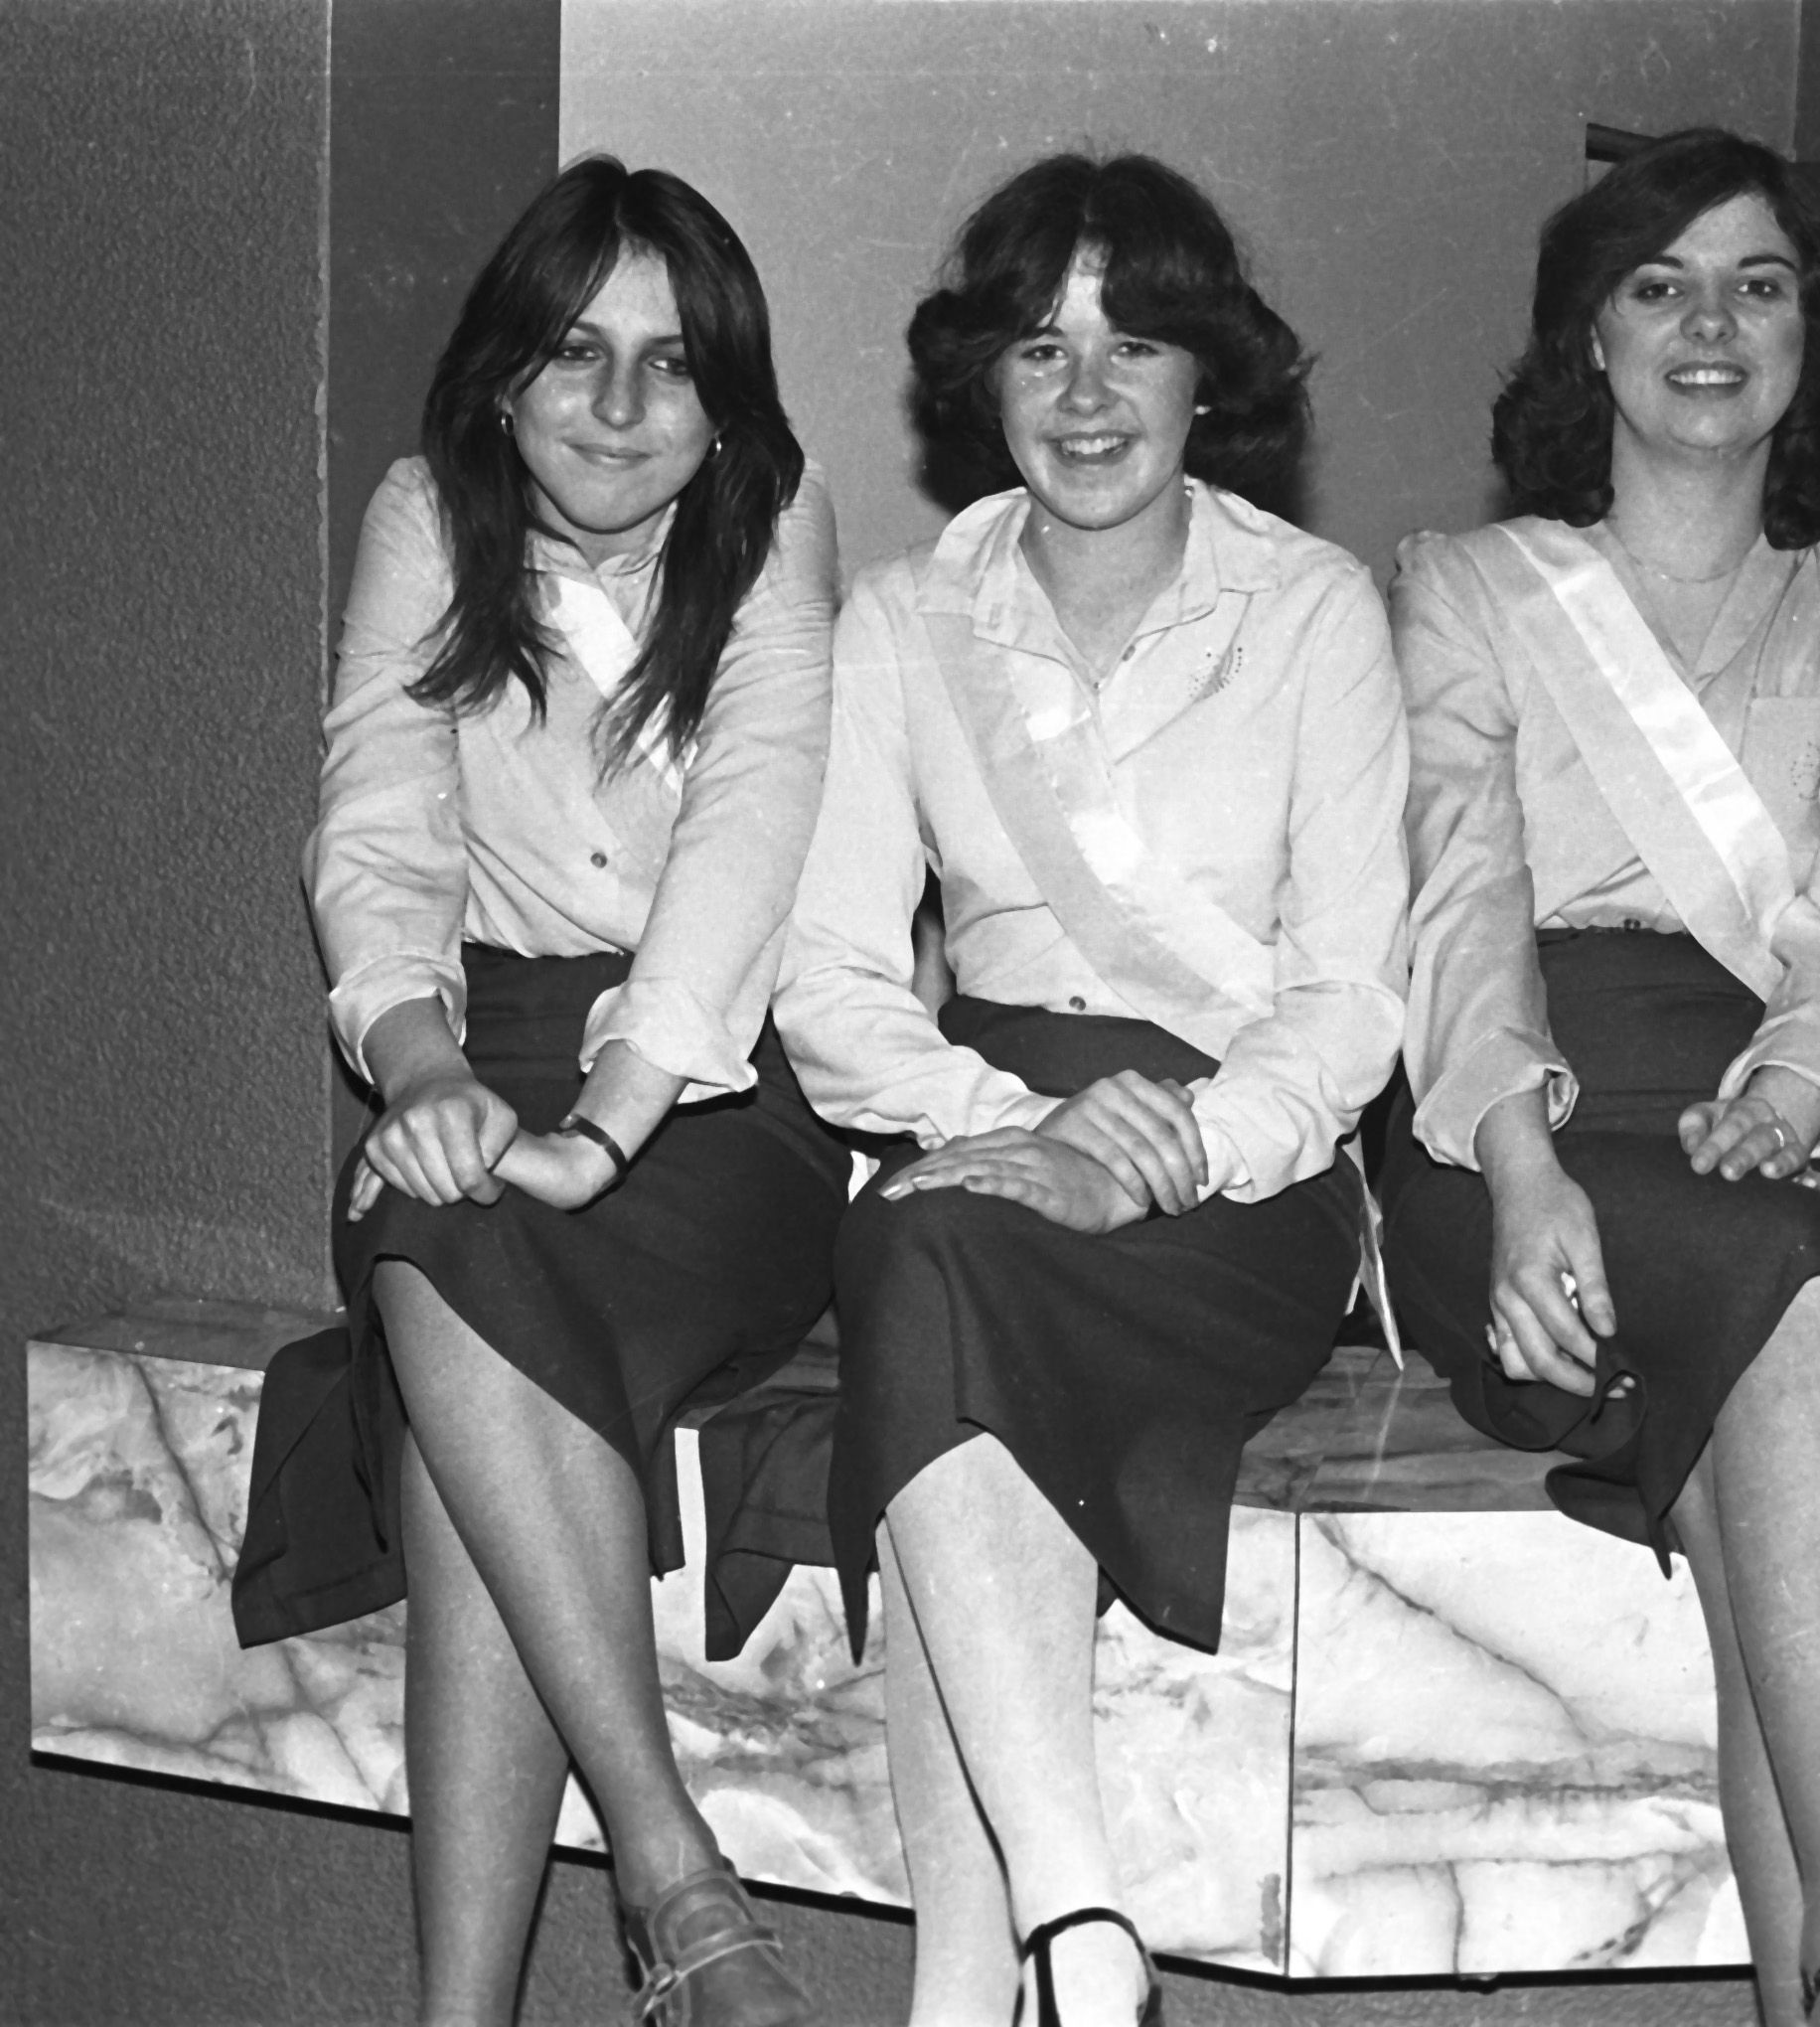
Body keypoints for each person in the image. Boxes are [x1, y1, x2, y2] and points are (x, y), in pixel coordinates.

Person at [775, 153, 1407, 2027]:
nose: (1085, 391)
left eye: (1135, 344)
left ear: (1210, 379)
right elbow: (825, 979)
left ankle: (1022, 1962)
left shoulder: (1312, 616)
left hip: (1245, 1172)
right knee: (930, 1245)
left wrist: (1164, 1154)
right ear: (983, 379)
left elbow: (1355, 995)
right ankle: (1068, 1938)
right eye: (1041, 345)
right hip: (993, 1109)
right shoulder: (904, 620)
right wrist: (1010, 1123)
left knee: (926, 1276)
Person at [228, 158, 842, 2026]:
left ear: (724, 399)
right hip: (475, 1062)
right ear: (505, 372)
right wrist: (415, 1071)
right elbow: (381, 823)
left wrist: (610, 1121)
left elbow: (749, 836)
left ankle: (570, 1953)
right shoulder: (431, 513)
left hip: (723, 1089)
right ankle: (677, 1890)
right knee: (442, 1229)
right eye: (578, 354)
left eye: (674, 366)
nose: (624, 409)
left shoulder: (774, 525)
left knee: (456, 1296)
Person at [1379, 129, 1820, 2027]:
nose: (1711, 324)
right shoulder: (1466, 588)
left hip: (1803, 1107)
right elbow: (1461, 899)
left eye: (1759, 284)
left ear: (1811, 338)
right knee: (1782, 1310)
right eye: (1660, 285)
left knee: (1788, 1295)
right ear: (1590, 347)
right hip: (1526, 1114)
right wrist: (1522, 1166)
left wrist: (1795, 1087)